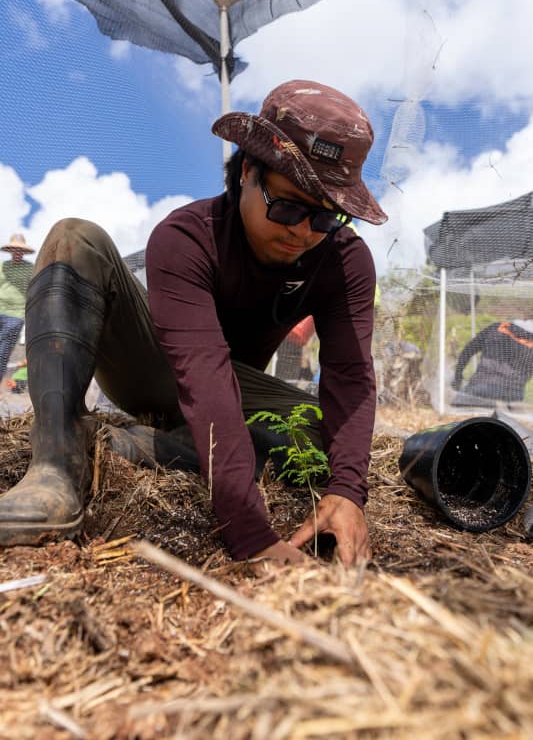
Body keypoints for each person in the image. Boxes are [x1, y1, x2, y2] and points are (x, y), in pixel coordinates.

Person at [0, 80, 387, 565]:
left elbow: (350, 378)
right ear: (247, 171)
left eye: (325, 219)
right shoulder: (185, 237)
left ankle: (123, 444)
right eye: (287, 206)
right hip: (156, 363)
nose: (302, 232)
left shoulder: (344, 260)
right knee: (76, 237)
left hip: (236, 386)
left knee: (322, 430)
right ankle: (54, 466)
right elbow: (202, 371)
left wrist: (349, 492)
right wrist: (249, 534)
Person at [452, 320, 533, 406]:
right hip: (514, 395)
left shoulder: (497, 327)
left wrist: (457, 378)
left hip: (481, 388)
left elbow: (467, 352)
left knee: (457, 410)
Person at [0, 234, 35, 382]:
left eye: (20, 250)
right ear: (11, 250)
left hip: (16, 315)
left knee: (2, 353)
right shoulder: (3, 266)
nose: (17, 252)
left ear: (24, 252)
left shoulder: (30, 269)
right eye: (14, 249)